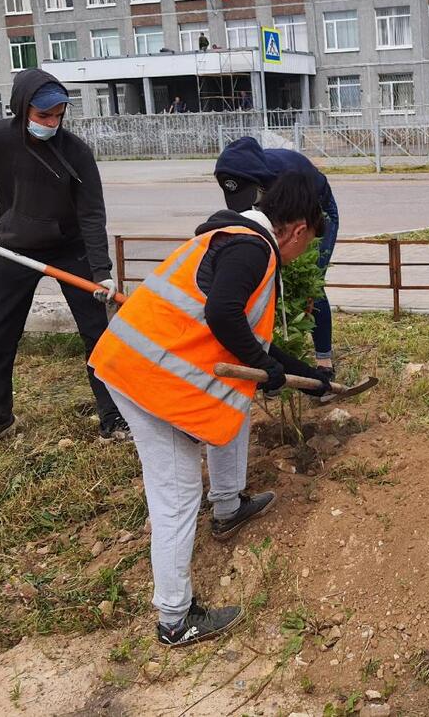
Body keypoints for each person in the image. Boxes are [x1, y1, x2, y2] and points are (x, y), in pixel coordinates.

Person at [89, 172, 330, 647]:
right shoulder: (252, 249)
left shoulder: (237, 238)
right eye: (309, 244)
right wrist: (264, 365)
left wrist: (305, 376)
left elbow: (246, 333)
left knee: (234, 409)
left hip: (142, 364)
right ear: (298, 229)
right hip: (148, 381)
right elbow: (223, 315)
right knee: (176, 496)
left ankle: (228, 505)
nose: (304, 253)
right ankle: (175, 620)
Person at [0, 68, 129, 454]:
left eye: (58, 115)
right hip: (15, 249)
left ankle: (112, 417)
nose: (52, 123)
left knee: (98, 334)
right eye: (44, 116)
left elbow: (92, 214)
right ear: (22, 109)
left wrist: (102, 273)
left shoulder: (75, 151)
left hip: (69, 250)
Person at [215, 136, 339, 383]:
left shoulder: (286, 175)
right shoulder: (242, 177)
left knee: (311, 285)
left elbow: (302, 224)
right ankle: (274, 354)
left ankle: (323, 359)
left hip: (317, 210)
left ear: (260, 183)